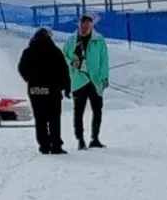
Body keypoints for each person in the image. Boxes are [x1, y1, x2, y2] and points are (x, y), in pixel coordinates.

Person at [17, 27, 70, 154]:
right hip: (52, 89)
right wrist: (65, 87)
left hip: (35, 89)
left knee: (40, 118)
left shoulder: (28, 51)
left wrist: (29, 78)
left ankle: (44, 145)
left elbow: (21, 68)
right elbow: (63, 70)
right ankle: (56, 145)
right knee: (54, 118)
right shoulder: (55, 51)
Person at [62, 15, 109, 149]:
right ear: (79, 25)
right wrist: (71, 63)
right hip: (78, 80)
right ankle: (80, 140)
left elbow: (104, 60)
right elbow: (62, 56)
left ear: (92, 26)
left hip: (95, 80)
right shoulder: (71, 40)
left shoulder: (99, 40)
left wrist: (104, 78)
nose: (85, 28)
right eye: (83, 25)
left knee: (97, 110)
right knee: (78, 111)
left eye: (88, 25)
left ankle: (95, 138)